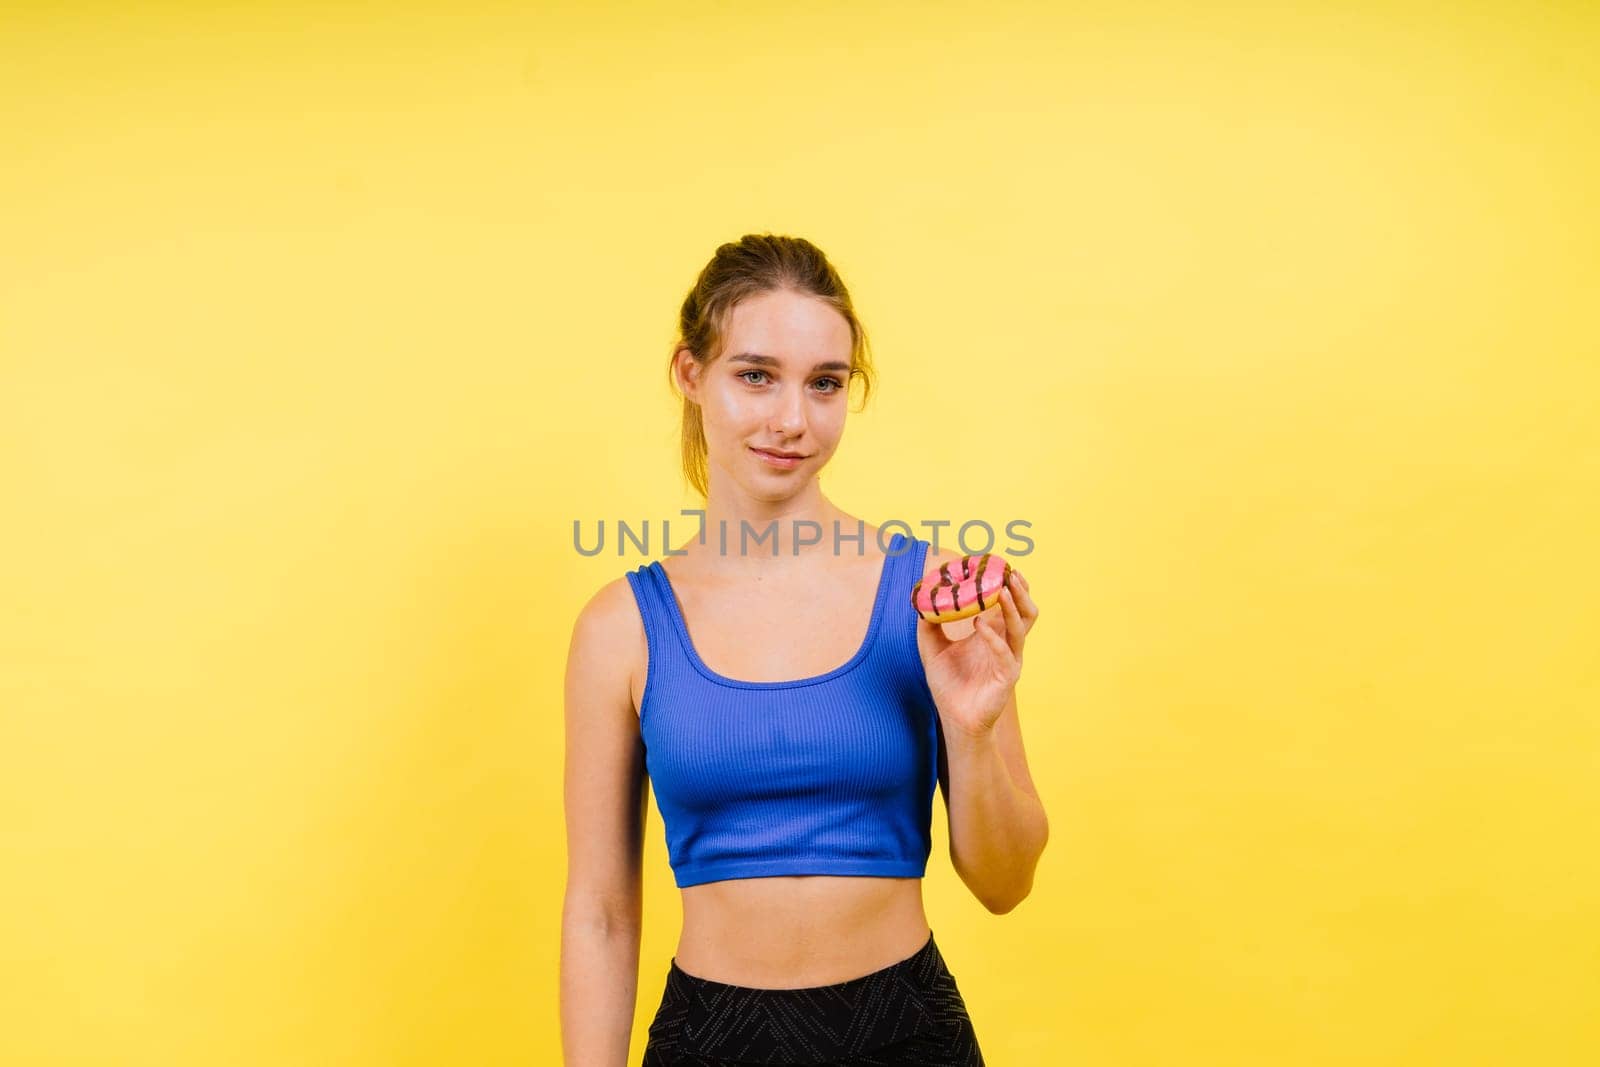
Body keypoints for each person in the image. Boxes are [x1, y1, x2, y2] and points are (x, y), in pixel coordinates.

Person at [560, 233, 1048, 1066]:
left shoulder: (931, 594)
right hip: (709, 1041)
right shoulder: (622, 627)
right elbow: (601, 912)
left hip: (907, 1033)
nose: (792, 420)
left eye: (824, 384)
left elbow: (1005, 884)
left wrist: (970, 727)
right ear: (690, 374)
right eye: (756, 375)